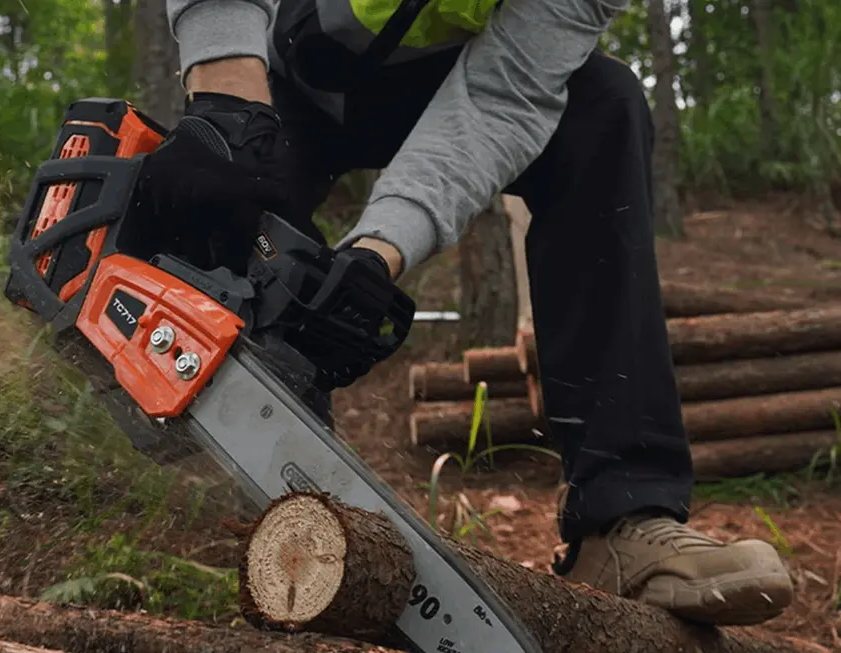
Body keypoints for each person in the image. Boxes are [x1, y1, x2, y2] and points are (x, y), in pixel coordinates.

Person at [138, 0, 795, 627]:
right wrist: (227, 97)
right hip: (274, 55)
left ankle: (623, 516)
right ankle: (217, 495)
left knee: (602, 105)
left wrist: (377, 254)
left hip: (434, 81)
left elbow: (501, 97)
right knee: (214, 202)